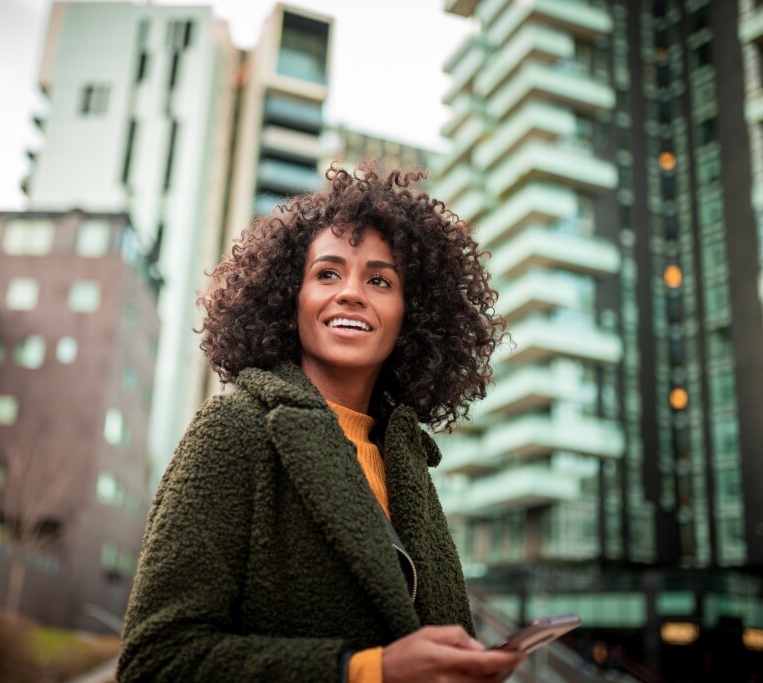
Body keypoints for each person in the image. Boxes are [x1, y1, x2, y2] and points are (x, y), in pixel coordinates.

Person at [117, 164, 523, 682]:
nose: (351, 292)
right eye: (327, 274)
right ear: (290, 302)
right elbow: (154, 661)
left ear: (411, 316)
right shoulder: (234, 429)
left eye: (379, 280)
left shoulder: (407, 465)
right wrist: (365, 672)